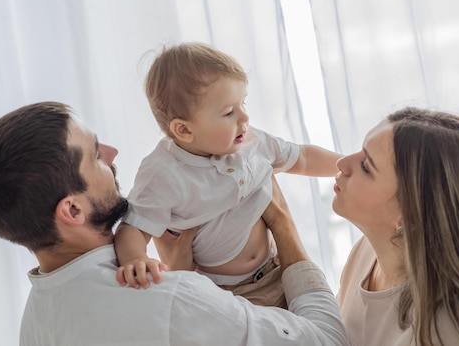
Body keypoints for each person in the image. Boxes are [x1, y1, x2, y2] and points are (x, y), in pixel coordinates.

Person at [0, 101, 349, 346]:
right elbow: (328, 341)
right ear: (73, 211)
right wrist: (283, 227)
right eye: (96, 155)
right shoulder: (167, 299)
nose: (113, 153)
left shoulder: (37, 323)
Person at [114, 42, 341, 308]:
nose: (244, 117)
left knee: (319, 317)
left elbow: (301, 158)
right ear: (184, 131)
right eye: (229, 112)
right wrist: (135, 260)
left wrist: (346, 164)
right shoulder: (164, 173)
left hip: (280, 266)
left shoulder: (250, 142)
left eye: (242, 103)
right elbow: (133, 228)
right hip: (233, 294)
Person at [333, 106, 459, 346]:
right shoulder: (367, 251)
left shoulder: (447, 333)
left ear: (410, 215)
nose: (341, 163)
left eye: (366, 166)